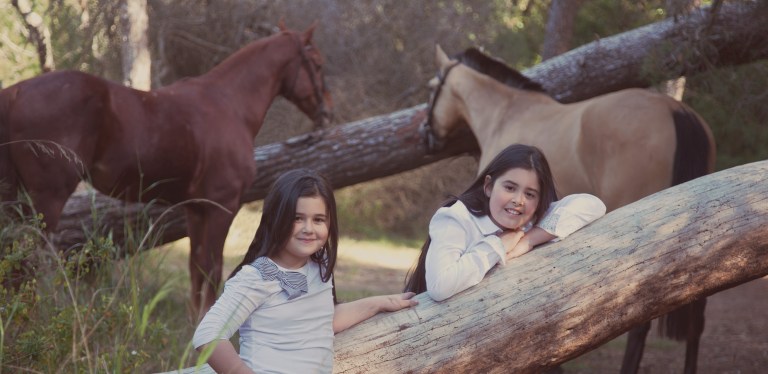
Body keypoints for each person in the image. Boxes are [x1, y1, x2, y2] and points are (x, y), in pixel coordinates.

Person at [193, 168, 417, 374]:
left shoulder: (319, 267)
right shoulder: (257, 277)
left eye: (318, 219)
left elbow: (323, 320)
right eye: (297, 218)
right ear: (276, 219)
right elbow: (207, 334)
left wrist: (379, 303)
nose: (308, 229)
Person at [405, 144, 606, 301]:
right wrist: (498, 245)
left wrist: (527, 240)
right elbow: (440, 287)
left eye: (530, 194)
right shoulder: (457, 218)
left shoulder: (531, 220)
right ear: (489, 186)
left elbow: (593, 205)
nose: (519, 200)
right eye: (510, 188)